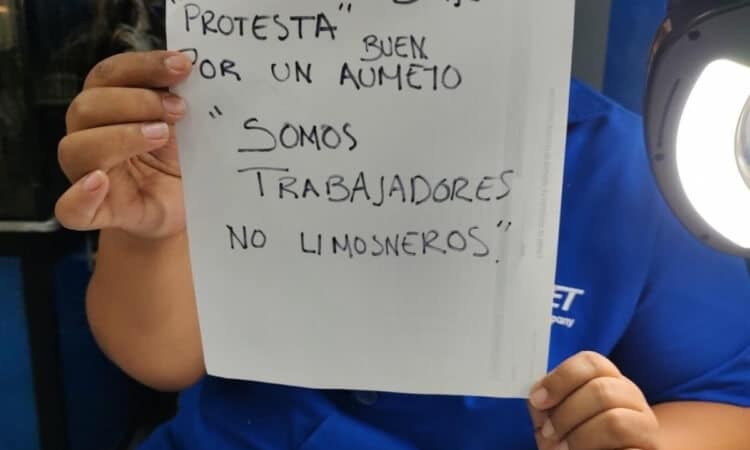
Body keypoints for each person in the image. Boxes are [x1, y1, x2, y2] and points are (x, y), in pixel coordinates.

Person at [54, 44, 750, 450]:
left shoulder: (640, 172)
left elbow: (724, 404)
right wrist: (149, 232)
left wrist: (629, 435)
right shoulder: (221, 124)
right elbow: (160, 359)